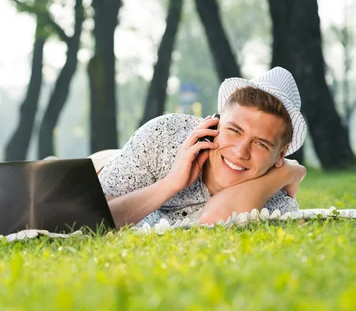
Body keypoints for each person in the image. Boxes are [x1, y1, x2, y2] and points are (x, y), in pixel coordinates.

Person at [97, 67, 308, 228]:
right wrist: (171, 183)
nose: (240, 152)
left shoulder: (275, 203)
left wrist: (288, 173)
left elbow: (213, 221)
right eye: (234, 131)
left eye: (261, 144)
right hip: (101, 164)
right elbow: (88, 218)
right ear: (215, 123)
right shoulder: (164, 135)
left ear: (280, 155)